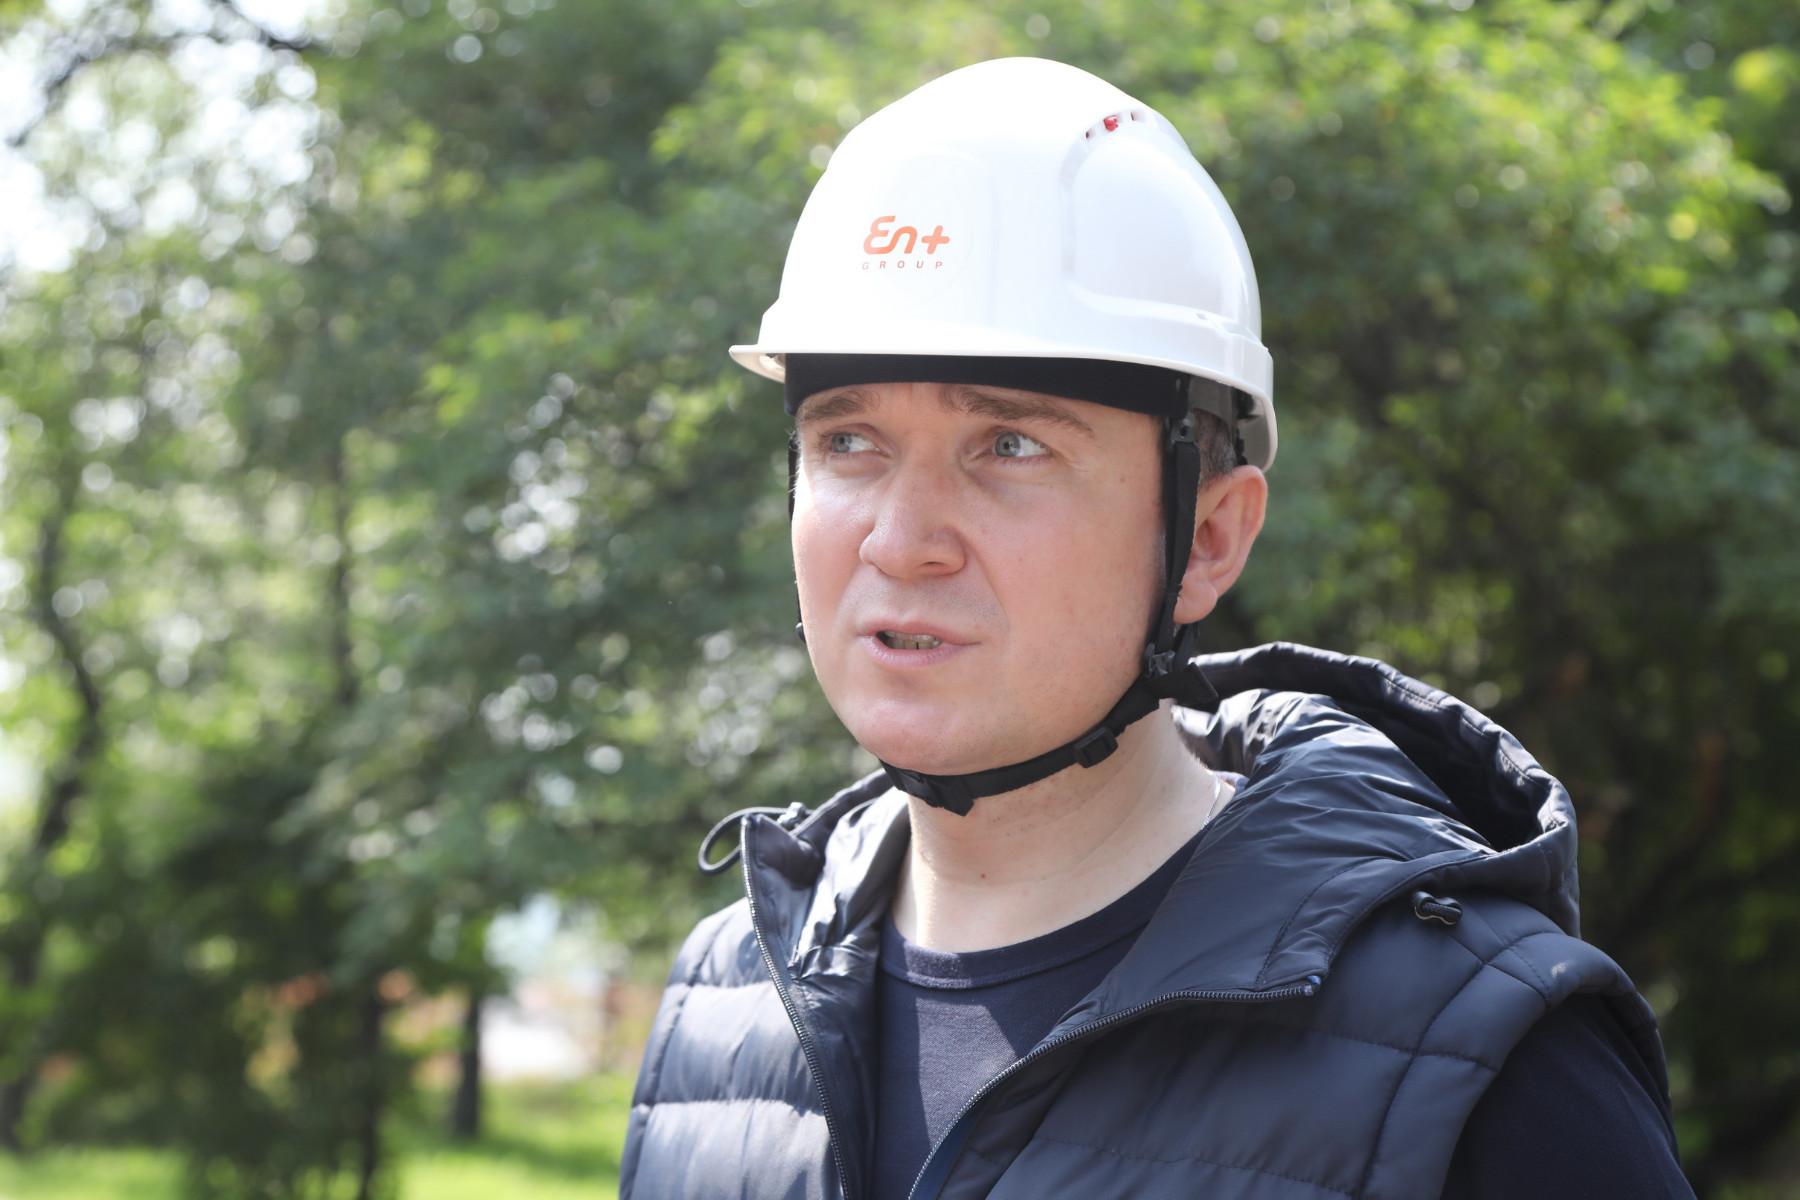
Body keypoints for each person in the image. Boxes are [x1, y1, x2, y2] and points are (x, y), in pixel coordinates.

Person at [620, 57, 1692, 1198]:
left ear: (1208, 538)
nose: (900, 539)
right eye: (848, 442)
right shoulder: (725, 1009)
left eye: (1010, 446)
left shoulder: (1485, 1062)